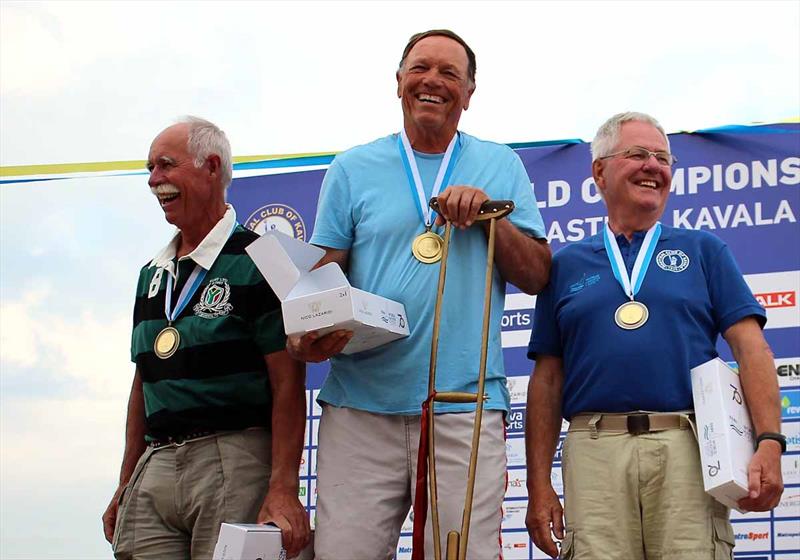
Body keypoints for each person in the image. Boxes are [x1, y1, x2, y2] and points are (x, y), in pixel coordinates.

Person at [287, 29, 551, 559]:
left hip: (463, 406)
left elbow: (538, 275)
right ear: (399, 83)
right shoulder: (352, 168)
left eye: (449, 73)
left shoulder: (502, 165)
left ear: (470, 92)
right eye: (421, 68)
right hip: (361, 408)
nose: (433, 80)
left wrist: (488, 219)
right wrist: (304, 331)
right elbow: (324, 275)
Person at [525, 112, 785, 560]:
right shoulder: (566, 266)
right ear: (600, 171)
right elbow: (547, 380)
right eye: (638, 154)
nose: (654, 166)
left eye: (663, 158)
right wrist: (538, 485)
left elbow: (752, 349)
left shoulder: (704, 250)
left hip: (686, 445)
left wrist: (769, 442)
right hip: (594, 449)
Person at [101, 117, 310, 559]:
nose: (154, 180)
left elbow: (289, 382)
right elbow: (144, 383)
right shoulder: (151, 275)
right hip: (156, 463)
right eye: (150, 169)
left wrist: (283, 489)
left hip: (233, 457)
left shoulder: (262, 259)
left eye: (165, 166)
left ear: (212, 167)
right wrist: (125, 481)